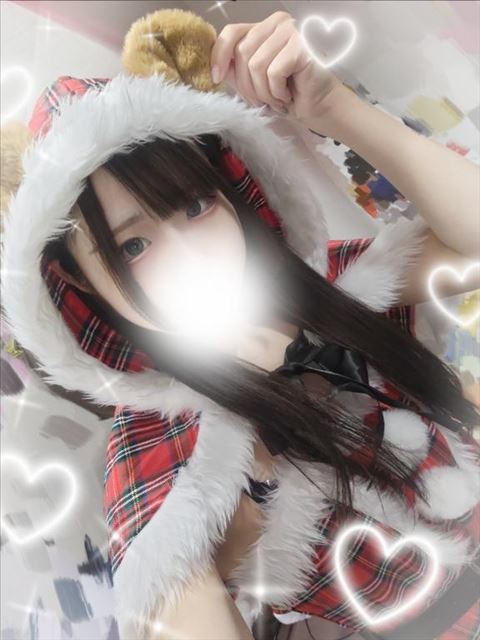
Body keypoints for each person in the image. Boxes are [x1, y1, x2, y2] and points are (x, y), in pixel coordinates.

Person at [1, 8, 479, 640]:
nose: (192, 255)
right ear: (79, 283)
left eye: (197, 206)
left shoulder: (318, 286)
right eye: (133, 246)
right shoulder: (157, 453)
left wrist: (333, 107)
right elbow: (176, 604)